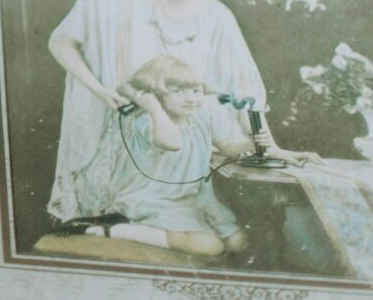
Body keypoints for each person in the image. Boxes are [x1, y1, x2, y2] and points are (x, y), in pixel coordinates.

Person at [44, 0, 266, 224]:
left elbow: (243, 88)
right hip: (118, 139)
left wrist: (265, 142)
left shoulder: (217, 15)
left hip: (174, 151)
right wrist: (97, 89)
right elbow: (61, 42)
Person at [65, 56, 250, 257]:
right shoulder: (147, 121)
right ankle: (121, 230)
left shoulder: (200, 119)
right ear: (154, 95)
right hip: (153, 198)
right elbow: (172, 143)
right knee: (210, 246)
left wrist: (253, 140)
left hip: (196, 198)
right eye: (178, 91)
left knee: (238, 243)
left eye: (196, 91)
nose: (191, 99)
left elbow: (228, 147)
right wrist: (152, 107)